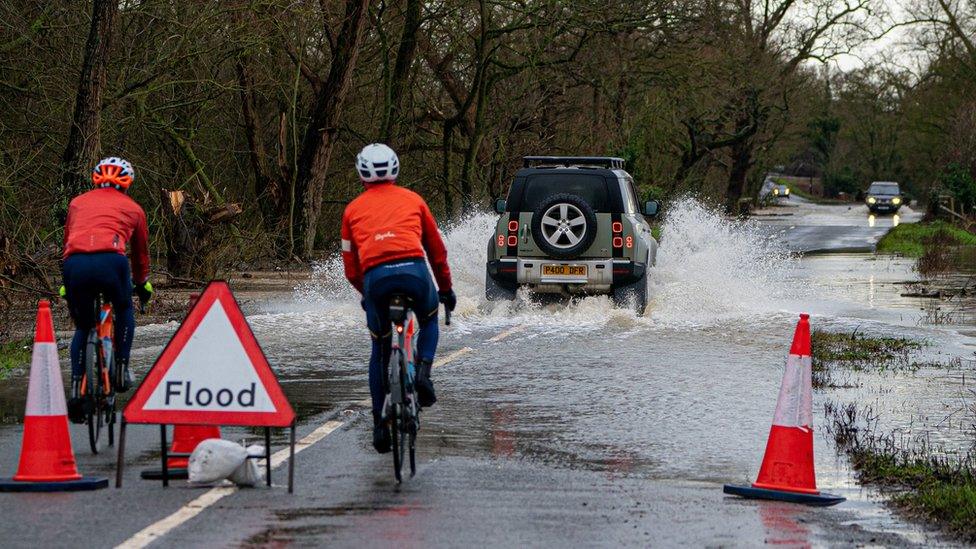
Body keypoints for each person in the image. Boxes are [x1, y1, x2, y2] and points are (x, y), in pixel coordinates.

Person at [341, 143, 456, 454]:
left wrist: (367, 294)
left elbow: (351, 268)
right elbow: (437, 251)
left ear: (361, 173)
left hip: (376, 279)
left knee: (379, 346)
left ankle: (380, 427)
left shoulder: (351, 210)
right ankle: (423, 374)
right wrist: (445, 290)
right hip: (415, 274)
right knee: (429, 319)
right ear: (395, 169)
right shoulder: (414, 200)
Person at [62, 157, 153, 423]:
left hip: (75, 264)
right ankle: (122, 369)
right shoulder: (134, 209)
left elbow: (68, 240)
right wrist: (141, 283)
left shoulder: (77, 203)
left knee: (83, 327)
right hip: (111, 262)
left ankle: (77, 389)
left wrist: (66, 284)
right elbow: (140, 255)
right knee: (124, 309)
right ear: (127, 184)